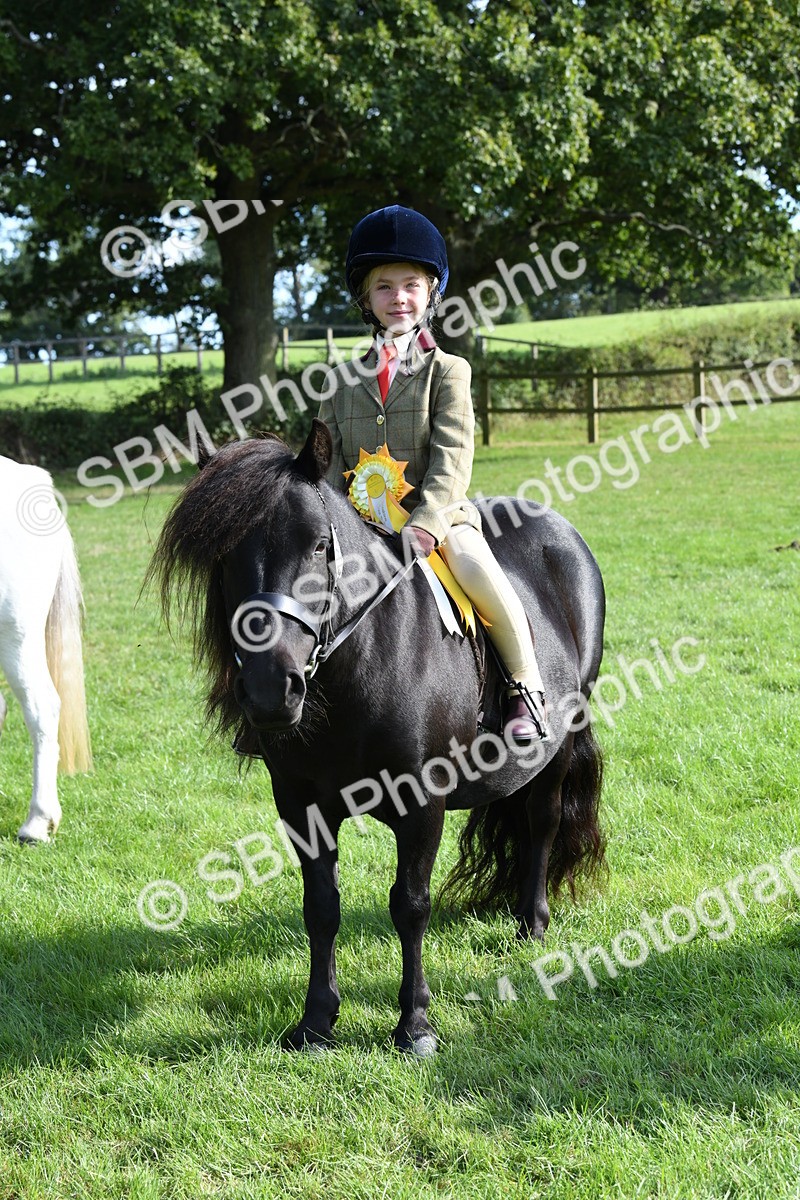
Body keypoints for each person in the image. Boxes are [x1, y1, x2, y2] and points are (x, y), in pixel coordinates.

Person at [318, 204, 548, 743]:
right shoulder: (339, 381)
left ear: (431, 293)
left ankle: (524, 686)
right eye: (384, 287)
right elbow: (324, 463)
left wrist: (425, 523)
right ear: (365, 299)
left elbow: (453, 458)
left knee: (474, 566)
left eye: (411, 286)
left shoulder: (448, 372)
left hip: (438, 523)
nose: (398, 297)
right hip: (356, 526)